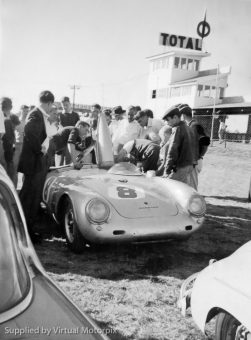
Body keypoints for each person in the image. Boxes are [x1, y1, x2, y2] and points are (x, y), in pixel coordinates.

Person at [18, 90, 55, 243]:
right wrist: (40, 150)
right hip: (34, 164)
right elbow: (29, 132)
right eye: (51, 105)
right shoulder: (36, 114)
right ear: (48, 103)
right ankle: (27, 233)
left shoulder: (39, 114)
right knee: (30, 199)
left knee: (31, 198)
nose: (51, 108)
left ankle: (27, 230)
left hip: (35, 163)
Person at [180, 104, 210, 190]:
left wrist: (199, 156)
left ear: (184, 115)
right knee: (188, 185)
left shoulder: (194, 125)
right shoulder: (190, 125)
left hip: (195, 160)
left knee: (192, 186)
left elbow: (205, 142)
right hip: (192, 160)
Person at [162, 106, 193, 185]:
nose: (167, 123)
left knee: (169, 188)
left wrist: (167, 170)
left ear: (175, 117)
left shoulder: (177, 129)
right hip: (189, 165)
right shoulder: (187, 127)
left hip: (180, 167)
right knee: (184, 190)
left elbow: (172, 151)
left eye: (168, 120)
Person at [58, 96, 79, 165]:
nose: (65, 106)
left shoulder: (75, 115)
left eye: (66, 105)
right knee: (59, 161)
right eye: (63, 105)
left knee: (68, 159)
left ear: (70, 104)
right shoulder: (59, 115)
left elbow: (77, 127)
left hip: (70, 141)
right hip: (61, 140)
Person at [13, 105, 30, 186]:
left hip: (27, 146)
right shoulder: (17, 121)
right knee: (15, 169)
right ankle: (14, 188)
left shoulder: (29, 121)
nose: (26, 113)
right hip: (18, 146)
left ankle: (24, 189)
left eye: (27, 111)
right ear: (21, 111)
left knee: (26, 169)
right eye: (24, 111)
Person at [2, 114, 20, 186]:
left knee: (12, 173)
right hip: (6, 156)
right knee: (10, 174)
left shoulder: (9, 127)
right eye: (14, 125)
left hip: (9, 155)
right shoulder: (6, 125)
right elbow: (7, 142)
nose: (15, 128)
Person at [0, 97, 12, 168]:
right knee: (4, 164)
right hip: (5, 145)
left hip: (6, 145)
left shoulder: (7, 117)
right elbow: (2, 133)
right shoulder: (3, 116)